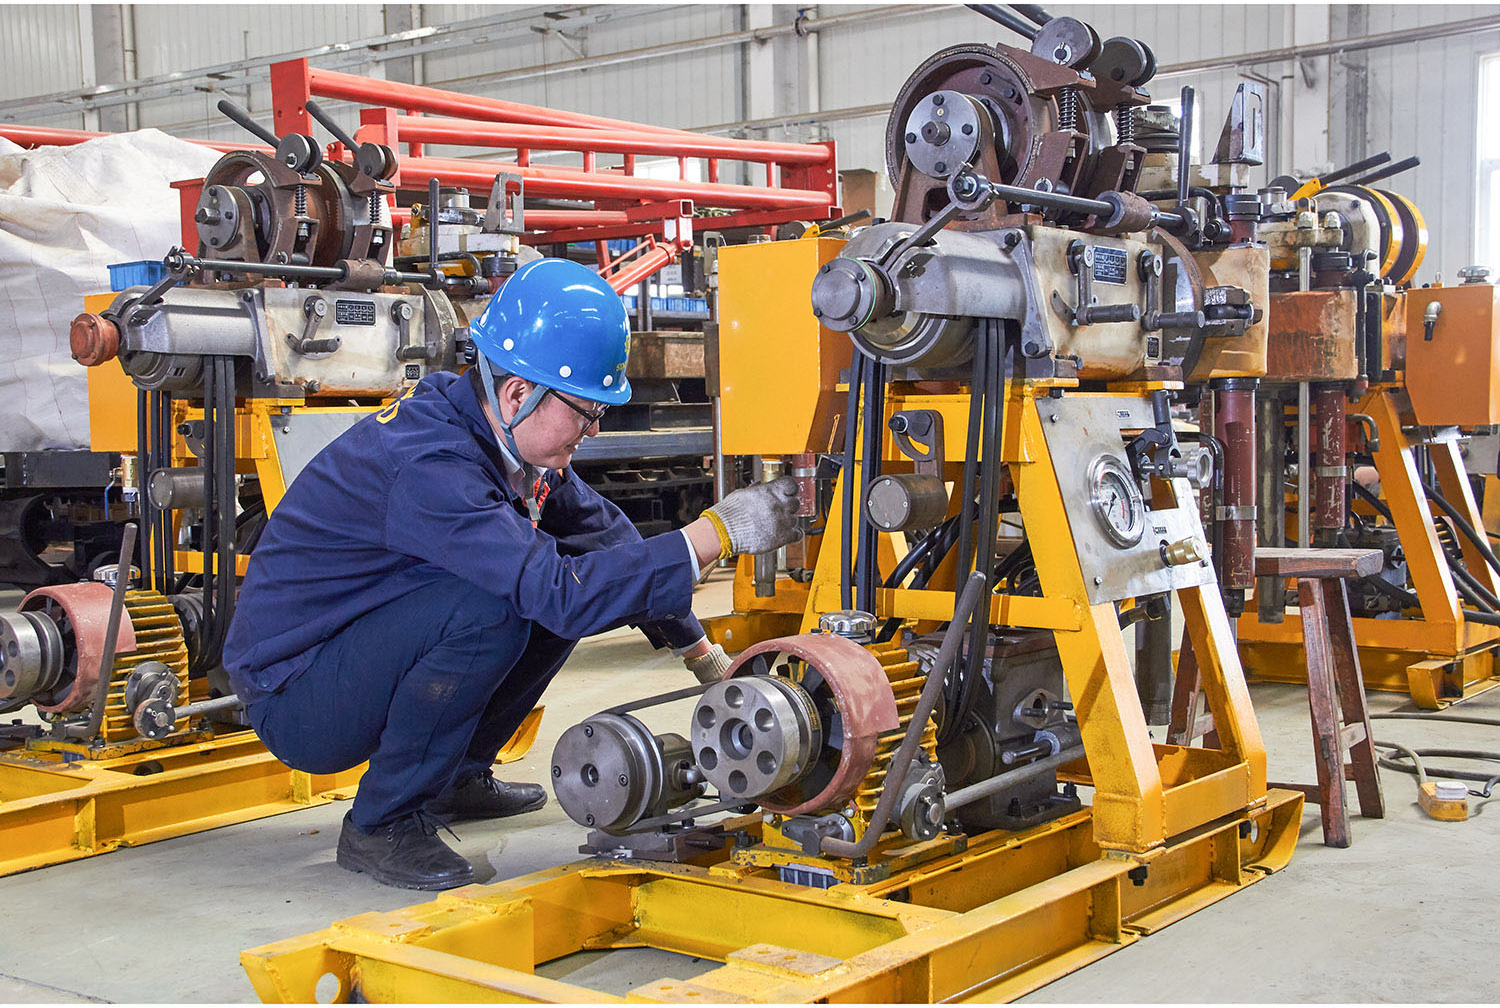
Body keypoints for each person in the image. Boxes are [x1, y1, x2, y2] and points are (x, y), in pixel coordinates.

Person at [222, 258, 801, 890]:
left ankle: (455, 776)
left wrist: (702, 654)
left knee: (561, 592)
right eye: (585, 410)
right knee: (496, 608)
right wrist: (718, 532)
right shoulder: (431, 464)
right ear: (519, 392)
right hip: (298, 695)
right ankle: (383, 823)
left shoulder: (499, 434)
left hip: (348, 650)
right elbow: (558, 593)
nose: (593, 429)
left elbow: (607, 540)